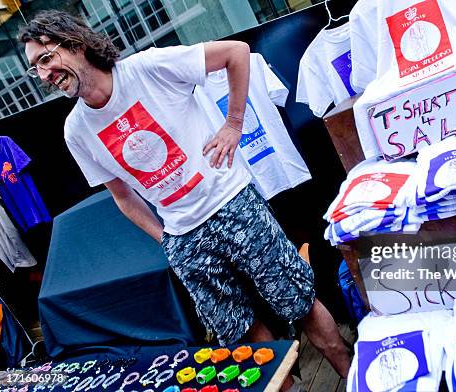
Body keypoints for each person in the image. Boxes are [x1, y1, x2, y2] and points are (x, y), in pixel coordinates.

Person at [19, 9, 350, 383]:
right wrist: (170, 243)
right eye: (35, 68)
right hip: (184, 238)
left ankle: (352, 376)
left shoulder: (147, 68)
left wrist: (233, 124)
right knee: (244, 335)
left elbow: (236, 52)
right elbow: (123, 198)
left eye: (46, 58)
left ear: (75, 43)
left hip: (232, 203)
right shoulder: (76, 131)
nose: (44, 75)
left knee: (298, 299)